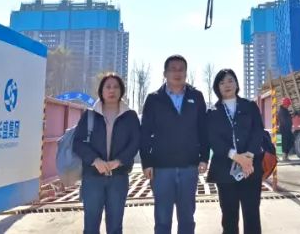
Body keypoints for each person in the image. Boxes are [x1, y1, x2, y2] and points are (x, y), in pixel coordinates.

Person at [140, 55, 208, 234]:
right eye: (173, 69)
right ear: (165, 73)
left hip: (189, 166)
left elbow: (203, 129)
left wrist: (204, 157)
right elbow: (145, 133)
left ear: (186, 73)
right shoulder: (154, 99)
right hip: (162, 168)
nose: (177, 73)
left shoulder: (196, 96)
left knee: (187, 219)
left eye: (181, 69)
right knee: (162, 219)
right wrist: (146, 162)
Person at [204, 69, 274, 234]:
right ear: (217, 87)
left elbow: (257, 132)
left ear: (236, 83)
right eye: (222, 83)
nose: (226, 85)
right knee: (229, 217)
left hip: (250, 168)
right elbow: (213, 139)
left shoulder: (249, 106)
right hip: (225, 170)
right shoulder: (212, 112)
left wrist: (248, 156)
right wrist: (235, 156)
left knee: (252, 215)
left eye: (230, 80)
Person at [72, 73, 140, 234]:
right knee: (91, 226)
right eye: (108, 87)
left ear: (121, 91)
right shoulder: (89, 115)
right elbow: (78, 143)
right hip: (92, 177)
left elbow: (135, 143)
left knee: (115, 226)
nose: (112, 90)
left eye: (116, 87)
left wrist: (119, 161)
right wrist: (95, 160)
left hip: (119, 178)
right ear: (101, 91)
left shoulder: (130, 116)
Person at [277, 97, 294, 161]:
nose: (288, 106)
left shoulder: (285, 110)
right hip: (284, 130)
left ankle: (286, 156)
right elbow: (284, 121)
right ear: (284, 104)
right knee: (285, 143)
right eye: (288, 104)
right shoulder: (281, 111)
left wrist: (292, 115)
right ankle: (284, 157)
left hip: (287, 129)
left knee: (291, 141)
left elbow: (288, 118)